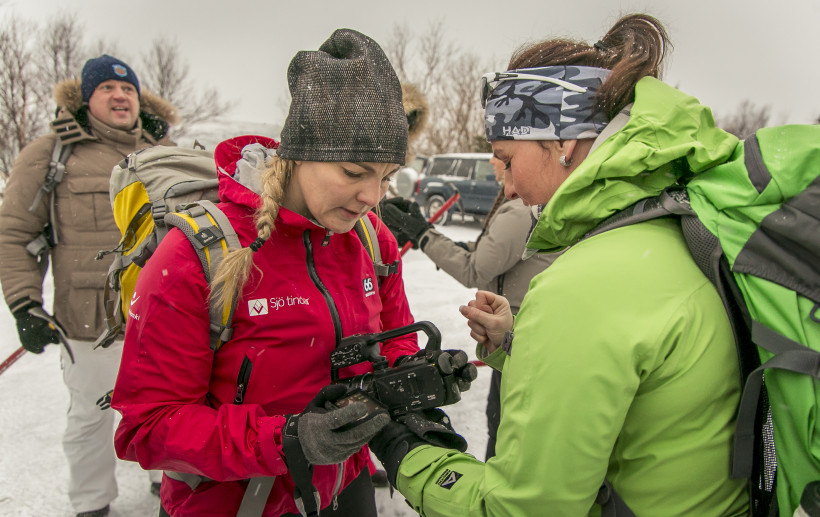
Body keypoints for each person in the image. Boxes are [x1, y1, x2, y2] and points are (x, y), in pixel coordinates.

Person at [368, 13, 751, 516]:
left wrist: (408, 454)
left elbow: (522, 509)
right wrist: (518, 341)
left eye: (507, 157)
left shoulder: (582, 284)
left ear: (564, 143)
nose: (506, 184)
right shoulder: (674, 229)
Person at [110, 29, 431, 517]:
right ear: (300, 153)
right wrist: (288, 440)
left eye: (386, 177)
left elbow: (394, 339)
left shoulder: (370, 237)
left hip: (346, 487)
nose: (372, 197)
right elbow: (148, 426)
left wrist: (411, 380)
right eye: (353, 171)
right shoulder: (197, 254)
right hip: (233, 502)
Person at [0, 55, 177, 517]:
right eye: (107, 90)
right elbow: (14, 233)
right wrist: (24, 304)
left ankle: (169, 476)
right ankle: (92, 502)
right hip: (89, 321)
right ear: (86, 98)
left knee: (174, 406)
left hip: (167, 317)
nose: (120, 96)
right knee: (91, 417)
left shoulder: (167, 151)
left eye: (129, 91)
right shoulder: (50, 154)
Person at [379, 155, 556, 459]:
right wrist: (445, 244)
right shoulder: (526, 205)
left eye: (503, 156)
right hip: (517, 332)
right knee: (502, 420)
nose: (492, 160)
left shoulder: (518, 211)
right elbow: (488, 253)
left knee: (507, 427)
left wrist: (422, 233)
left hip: (517, 334)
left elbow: (475, 269)